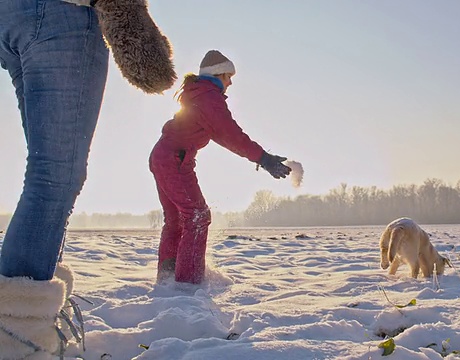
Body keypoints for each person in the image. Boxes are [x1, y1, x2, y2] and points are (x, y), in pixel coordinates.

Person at [0, 0, 175, 358]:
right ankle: (18, 340)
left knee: (48, 173)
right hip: (61, 12)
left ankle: (30, 324)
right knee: (54, 177)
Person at [150, 50, 292, 285]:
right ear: (218, 74)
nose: (231, 82)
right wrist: (263, 158)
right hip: (174, 160)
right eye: (229, 76)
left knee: (177, 219)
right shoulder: (209, 98)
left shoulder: (198, 93)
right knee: (197, 216)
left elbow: (222, 135)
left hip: (167, 158)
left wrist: (260, 157)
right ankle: (187, 285)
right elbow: (230, 134)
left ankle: (168, 279)